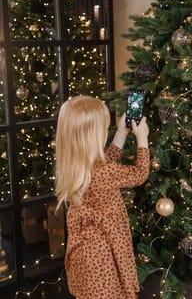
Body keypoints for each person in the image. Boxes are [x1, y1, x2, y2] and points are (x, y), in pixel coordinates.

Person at [55, 95, 150, 299]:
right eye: (104, 129)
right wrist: (142, 139)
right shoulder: (103, 173)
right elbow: (140, 173)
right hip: (104, 254)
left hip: (86, 254)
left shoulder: (75, 166)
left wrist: (122, 133)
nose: (106, 133)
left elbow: (106, 162)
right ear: (92, 136)